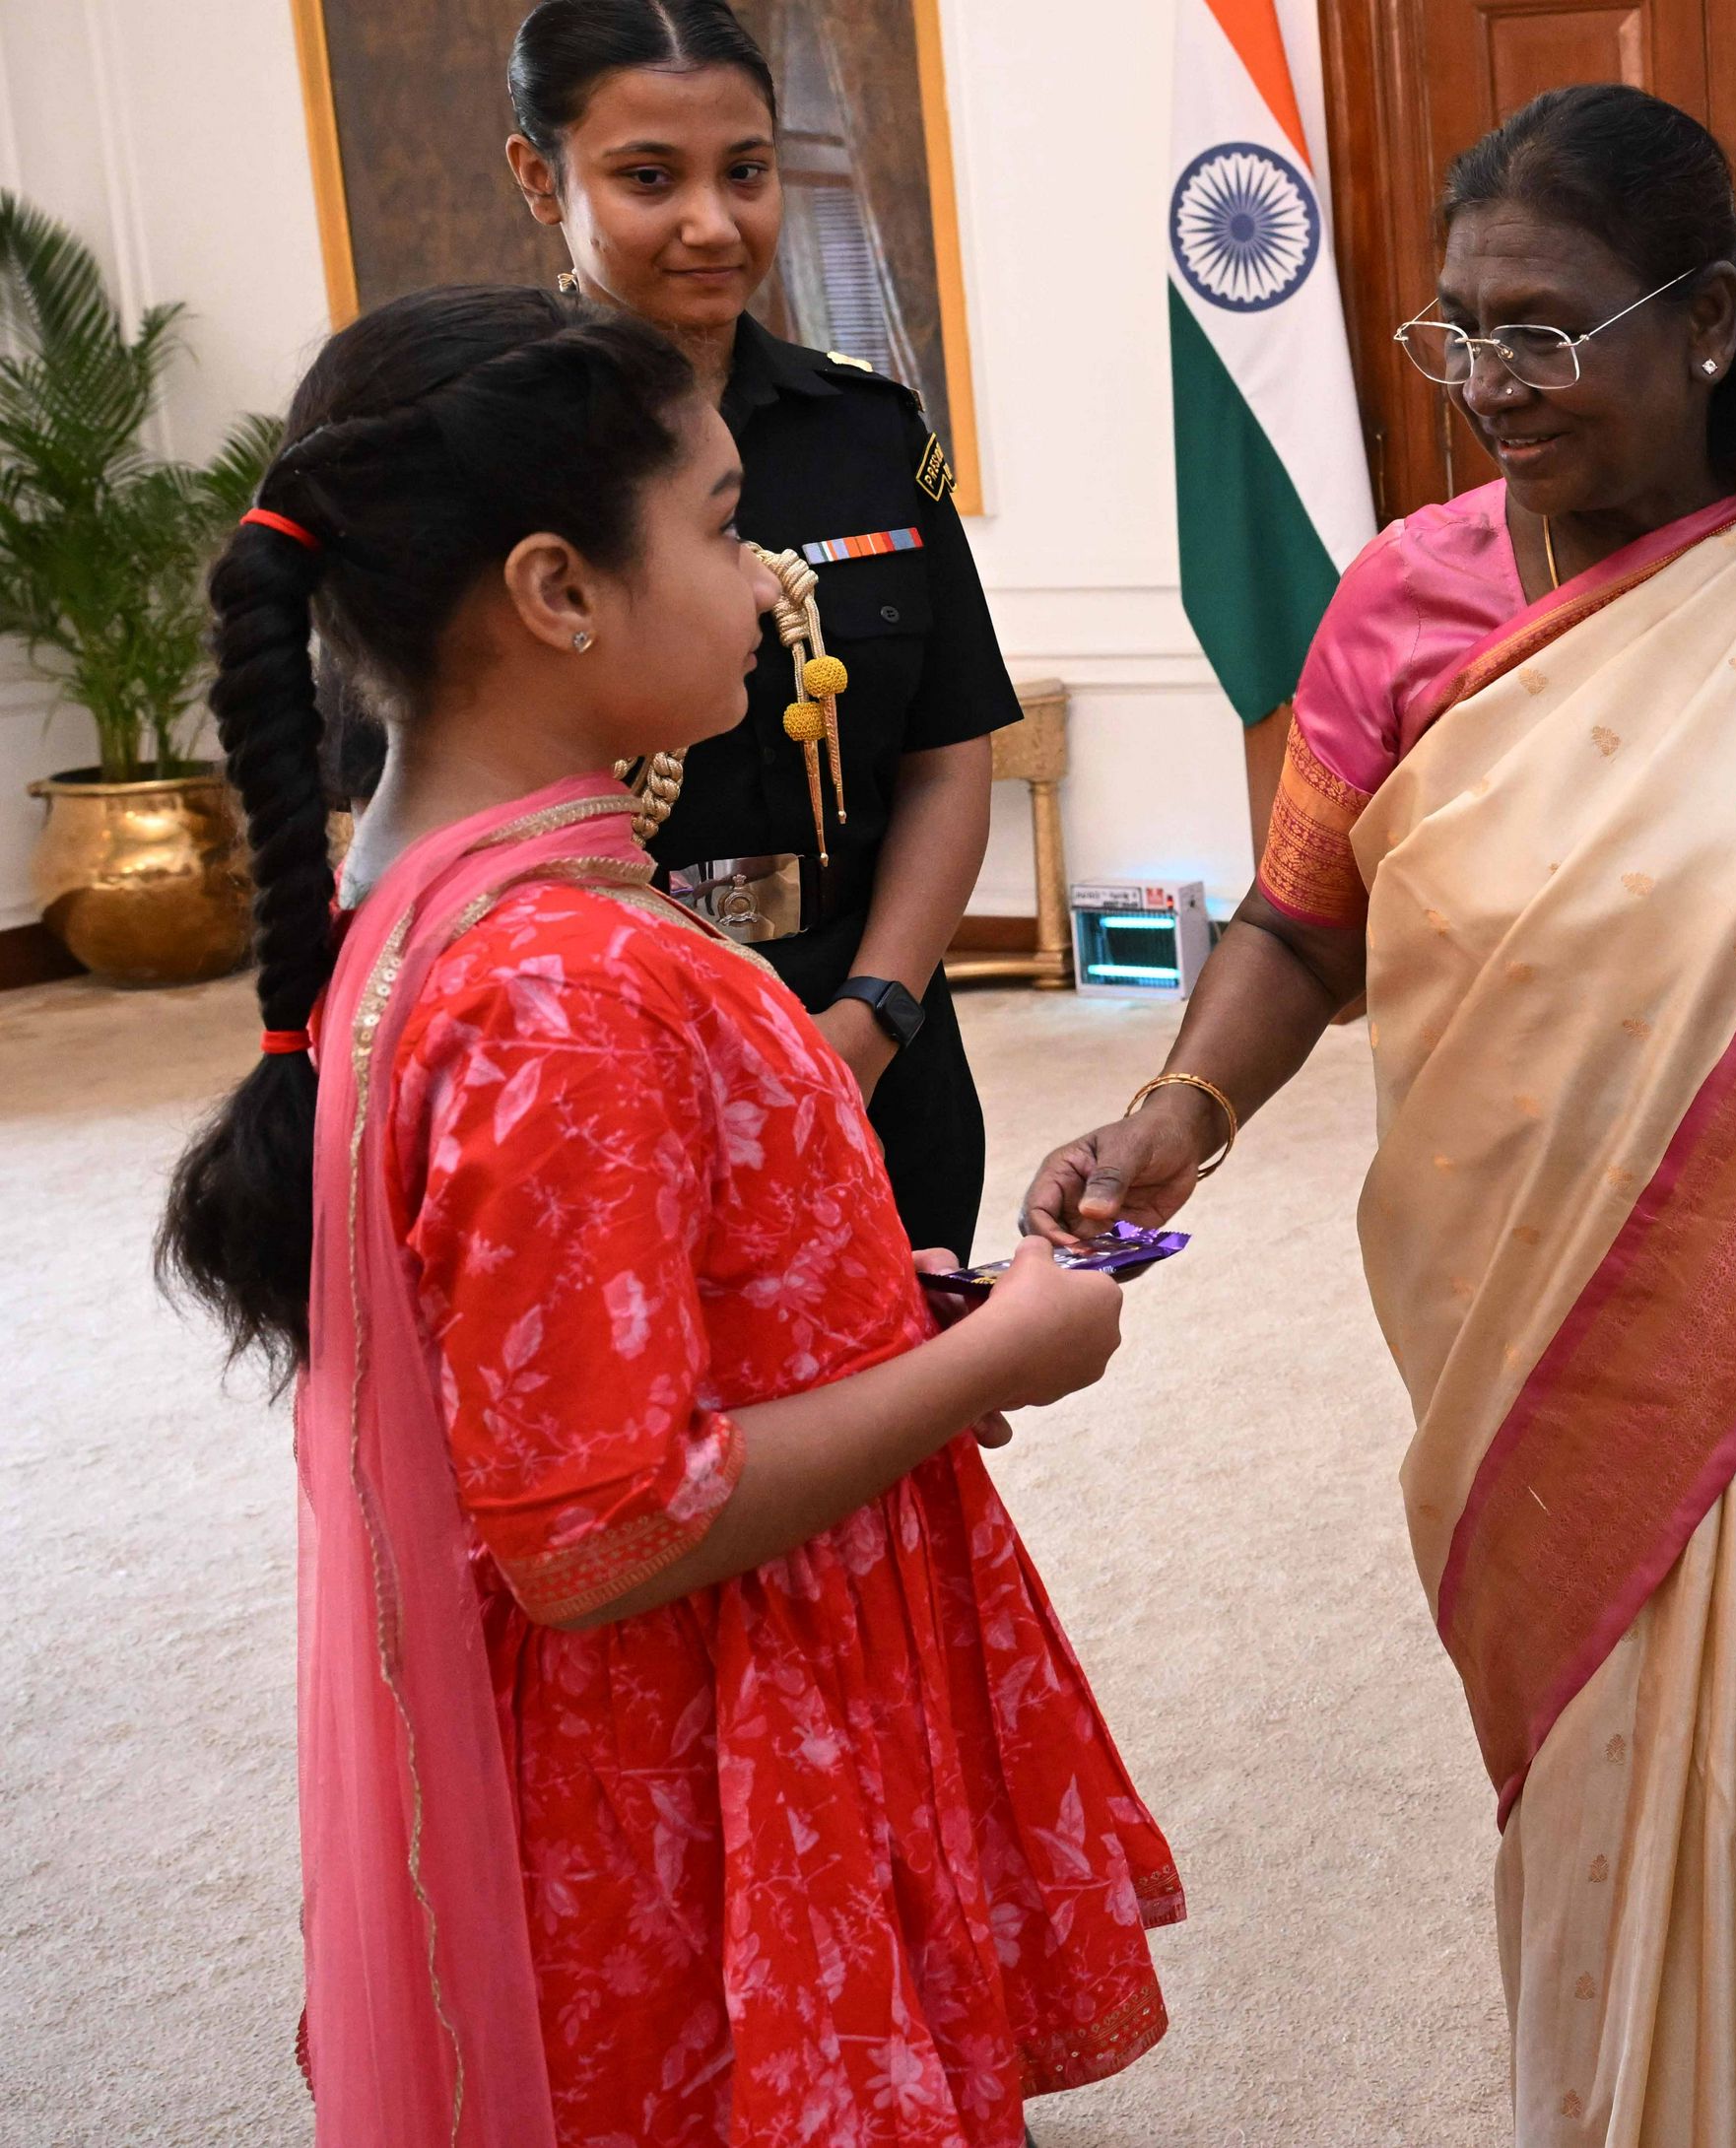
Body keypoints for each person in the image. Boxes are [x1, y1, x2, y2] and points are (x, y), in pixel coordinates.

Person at [1020, 83, 1736, 2148]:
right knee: (1600, 1801)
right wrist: (1178, 1109)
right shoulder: (1404, 601)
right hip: (1536, 1334)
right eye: (1459, 331)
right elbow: (1299, 917)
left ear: (1710, 319)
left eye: (1546, 329)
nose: (1491, 382)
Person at [155, 284, 1180, 2146]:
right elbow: (603, 1527)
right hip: (694, 1755)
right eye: (722, 530)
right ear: (558, 592)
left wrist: (862, 1309)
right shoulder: (572, 989)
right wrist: (996, 1360)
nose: (770, 585)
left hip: (692, 1695)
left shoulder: (452, 910)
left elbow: (588, 1320)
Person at [504, 0, 1015, 1258]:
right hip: (601, 1046)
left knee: (910, 1352)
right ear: (540, 177)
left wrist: (872, 1017)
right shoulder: (477, 451)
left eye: (745, 172)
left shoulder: (868, 433)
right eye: (648, 178)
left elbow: (945, 751)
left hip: (870, 1026)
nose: (713, 224)